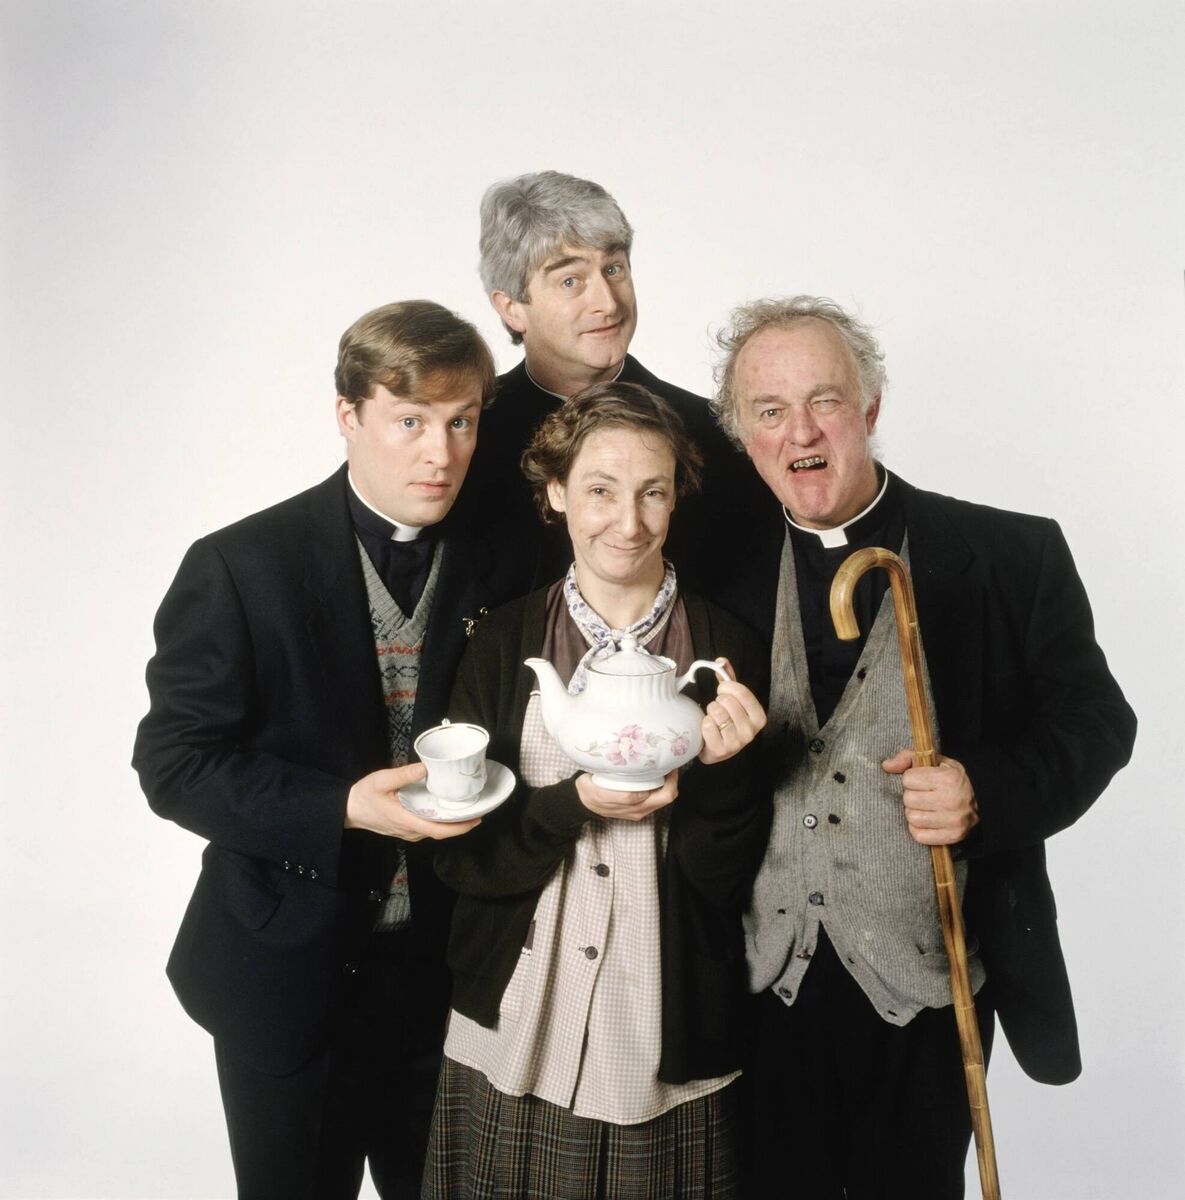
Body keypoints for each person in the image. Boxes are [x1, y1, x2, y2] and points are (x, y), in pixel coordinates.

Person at [709, 296, 1137, 1199]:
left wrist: (985, 792)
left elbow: (1097, 721)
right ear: (742, 435)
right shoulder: (712, 568)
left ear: (868, 407)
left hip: (931, 989)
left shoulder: (1007, 554)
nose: (799, 433)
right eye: (769, 411)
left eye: (824, 400)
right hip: (759, 991)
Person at [132, 301, 515, 1199]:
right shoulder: (239, 566)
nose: (441, 452)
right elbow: (174, 762)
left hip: (451, 980)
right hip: (286, 980)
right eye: (410, 421)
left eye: (461, 422)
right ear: (348, 415)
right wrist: (340, 807)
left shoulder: (507, 559)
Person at [422, 382, 771, 1200]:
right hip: (518, 1018)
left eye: (653, 492)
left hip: (660, 1029)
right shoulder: (502, 641)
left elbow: (728, 884)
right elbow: (461, 859)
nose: (629, 522)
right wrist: (569, 805)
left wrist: (727, 775)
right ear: (555, 493)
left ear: (677, 497)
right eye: (600, 491)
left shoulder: (726, 646)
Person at [457, 169, 770, 596]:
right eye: (571, 281)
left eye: (614, 269)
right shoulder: (466, 435)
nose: (607, 303)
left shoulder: (715, 433)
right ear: (511, 308)